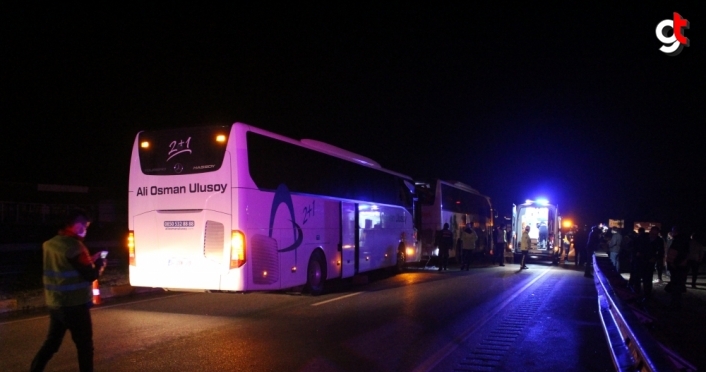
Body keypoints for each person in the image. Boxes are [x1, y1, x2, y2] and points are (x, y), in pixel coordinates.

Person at [31, 209, 107, 372]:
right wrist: (100, 264)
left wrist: (89, 260)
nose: (86, 230)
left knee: (51, 344)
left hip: (55, 303)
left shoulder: (50, 244)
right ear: (78, 225)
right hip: (75, 305)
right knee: (85, 346)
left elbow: (66, 266)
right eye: (85, 226)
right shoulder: (75, 247)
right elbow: (90, 275)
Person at [666, 225, 690, 310]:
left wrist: (674, 263)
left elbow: (679, 254)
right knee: (678, 285)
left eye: (673, 231)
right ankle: (676, 303)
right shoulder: (684, 240)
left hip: (677, 267)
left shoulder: (678, 241)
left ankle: (675, 304)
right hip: (679, 267)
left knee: (676, 285)